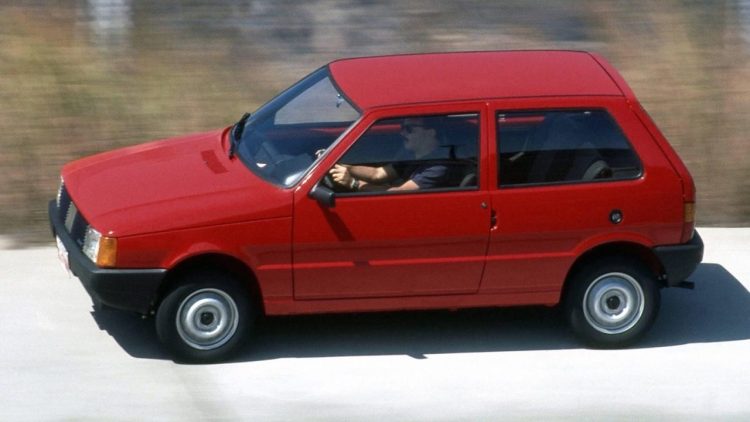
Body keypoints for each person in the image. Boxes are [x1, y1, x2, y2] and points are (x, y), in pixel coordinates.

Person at [329, 117, 451, 192]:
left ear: (430, 133)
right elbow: (378, 174)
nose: (402, 133)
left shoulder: (438, 167)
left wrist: (353, 184)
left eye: (409, 129)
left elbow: (400, 193)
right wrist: (346, 167)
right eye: (402, 127)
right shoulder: (411, 156)